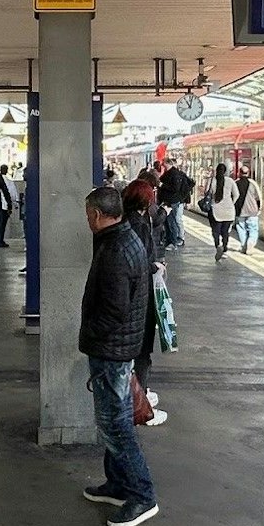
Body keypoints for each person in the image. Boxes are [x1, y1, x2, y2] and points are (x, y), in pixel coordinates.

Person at [77, 186, 160, 526]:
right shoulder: (122, 239)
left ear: (97, 215)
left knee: (117, 426)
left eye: (87, 215)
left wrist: (90, 335)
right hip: (118, 348)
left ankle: (142, 495)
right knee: (113, 421)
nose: (86, 221)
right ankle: (117, 485)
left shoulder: (114, 251)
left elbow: (113, 310)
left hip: (111, 351)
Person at [122, 178, 168, 427]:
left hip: (135, 293)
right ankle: (140, 407)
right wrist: (154, 266)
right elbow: (140, 260)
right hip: (140, 294)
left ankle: (140, 394)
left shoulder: (128, 220)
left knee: (138, 350)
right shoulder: (138, 224)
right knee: (142, 350)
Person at [160, 160, 194, 249]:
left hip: (173, 201)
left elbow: (175, 188)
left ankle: (174, 241)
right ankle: (171, 240)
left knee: (172, 221)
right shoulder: (170, 173)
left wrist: (162, 185)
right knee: (170, 221)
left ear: (168, 164)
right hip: (170, 200)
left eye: (164, 165)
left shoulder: (174, 174)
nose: (163, 166)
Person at [207, 162, 237, 261]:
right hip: (229, 211)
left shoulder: (212, 181)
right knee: (225, 232)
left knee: (216, 231)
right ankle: (224, 249)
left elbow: (207, 193)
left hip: (216, 210)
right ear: (225, 171)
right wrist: (231, 202)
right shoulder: (230, 181)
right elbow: (237, 194)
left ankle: (218, 246)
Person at [234, 165, 264, 255]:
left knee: (241, 228)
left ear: (239, 173)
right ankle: (250, 244)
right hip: (252, 211)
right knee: (253, 229)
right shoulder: (253, 183)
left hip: (240, 211)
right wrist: (259, 208)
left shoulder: (235, 183)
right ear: (248, 173)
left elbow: (232, 197)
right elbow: (259, 197)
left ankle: (243, 246)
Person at [0, 163, 16, 248]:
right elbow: (13, 195)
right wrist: (13, 204)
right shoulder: (9, 182)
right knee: (3, 225)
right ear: (7, 171)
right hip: (5, 207)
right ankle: (0, 240)